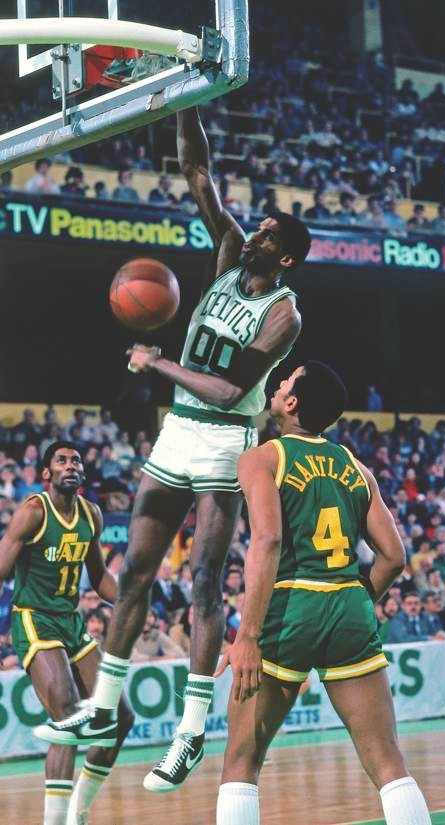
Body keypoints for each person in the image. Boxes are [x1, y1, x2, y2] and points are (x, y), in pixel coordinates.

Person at [40, 106, 311, 795]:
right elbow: (198, 171)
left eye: (268, 233)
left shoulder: (283, 313)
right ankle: (102, 707)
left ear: (283, 257)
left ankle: (190, 732)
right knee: (135, 569)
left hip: (224, 436)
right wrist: (185, 99)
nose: (255, 232)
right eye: (258, 226)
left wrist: (158, 362)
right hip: (178, 431)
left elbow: (230, 390)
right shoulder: (229, 252)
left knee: (203, 581)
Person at [215, 362, 431, 825]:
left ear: (292, 402)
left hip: (290, 606)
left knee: (241, 762)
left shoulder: (263, 458)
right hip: (349, 602)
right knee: (388, 763)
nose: (277, 385)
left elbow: (268, 540)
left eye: (286, 381)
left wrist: (246, 635)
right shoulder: (356, 466)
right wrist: (357, 603)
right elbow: (394, 557)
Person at [0, 442, 133, 825]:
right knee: (68, 716)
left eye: (75, 460)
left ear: (83, 473)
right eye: (61, 460)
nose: (70, 465)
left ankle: (78, 811)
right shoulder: (32, 513)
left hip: (71, 622)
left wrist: (131, 599)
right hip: (34, 619)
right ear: (47, 473)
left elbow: (100, 577)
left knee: (120, 717)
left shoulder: (92, 514)